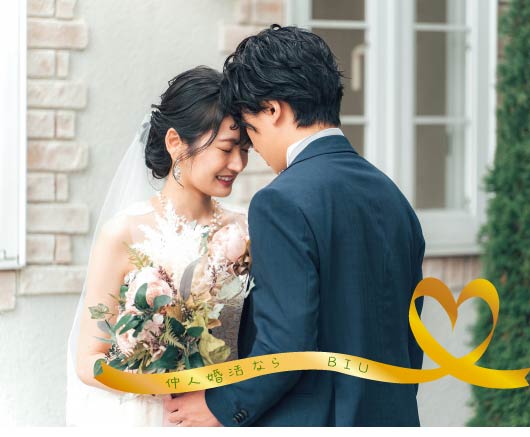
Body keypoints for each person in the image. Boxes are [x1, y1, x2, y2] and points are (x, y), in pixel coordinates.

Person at [163, 25, 426, 427]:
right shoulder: (393, 197)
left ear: (273, 110)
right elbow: (410, 336)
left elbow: (286, 342)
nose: (255, 150)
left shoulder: (280, 201)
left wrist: (222, 406)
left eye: (250, 129)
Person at [65, 65, 252, 426]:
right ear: (175, 143)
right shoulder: (124, 233)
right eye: (227, 148)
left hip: (220, 415)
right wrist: (160, 381)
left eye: (245, 150)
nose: (238, 163)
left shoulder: (244, 231)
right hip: (148, 415)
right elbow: (89, 361)